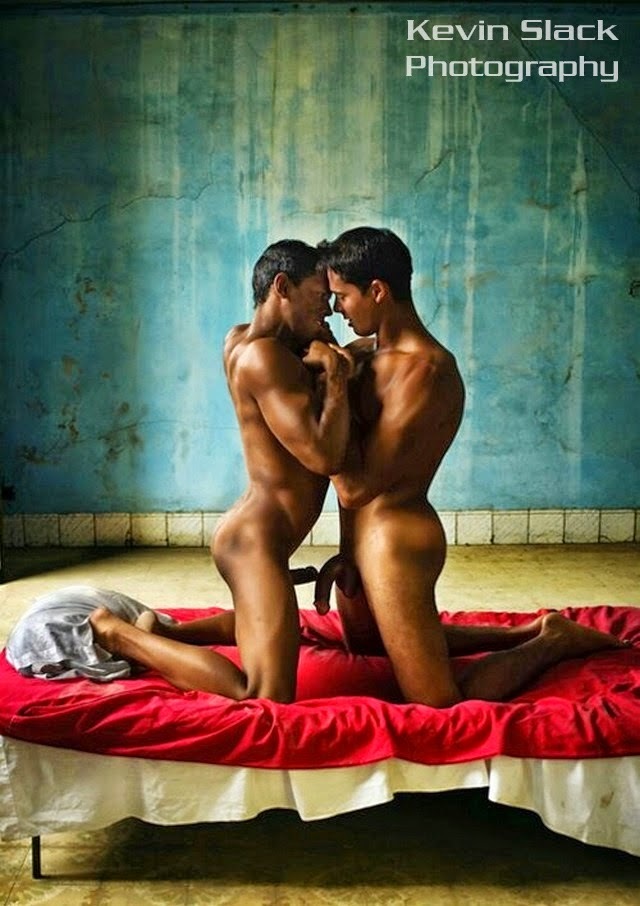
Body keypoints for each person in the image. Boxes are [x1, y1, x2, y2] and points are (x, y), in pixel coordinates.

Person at [314, 226, 627, 707]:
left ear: (377, 290)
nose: (337, 310)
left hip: (396, 540)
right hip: (359, 541)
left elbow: (356, 488)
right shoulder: (360, 356)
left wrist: (332, 394)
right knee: (370, 648)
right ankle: (526, 632)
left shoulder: (427, 371)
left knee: (437, 701)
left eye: (342, 296)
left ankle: (553, 641)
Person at [89, 240, 352, 702]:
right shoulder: (265, 357)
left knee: (271, 627)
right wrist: (335, 377)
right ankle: (122, 635)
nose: (328, 311)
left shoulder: (244, 340)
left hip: (255, 533)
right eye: (319, 297)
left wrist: (322, 349)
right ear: (282, 287)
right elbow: (324, 458)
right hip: (255, 542)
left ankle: (169, 633)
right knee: (265, 693)